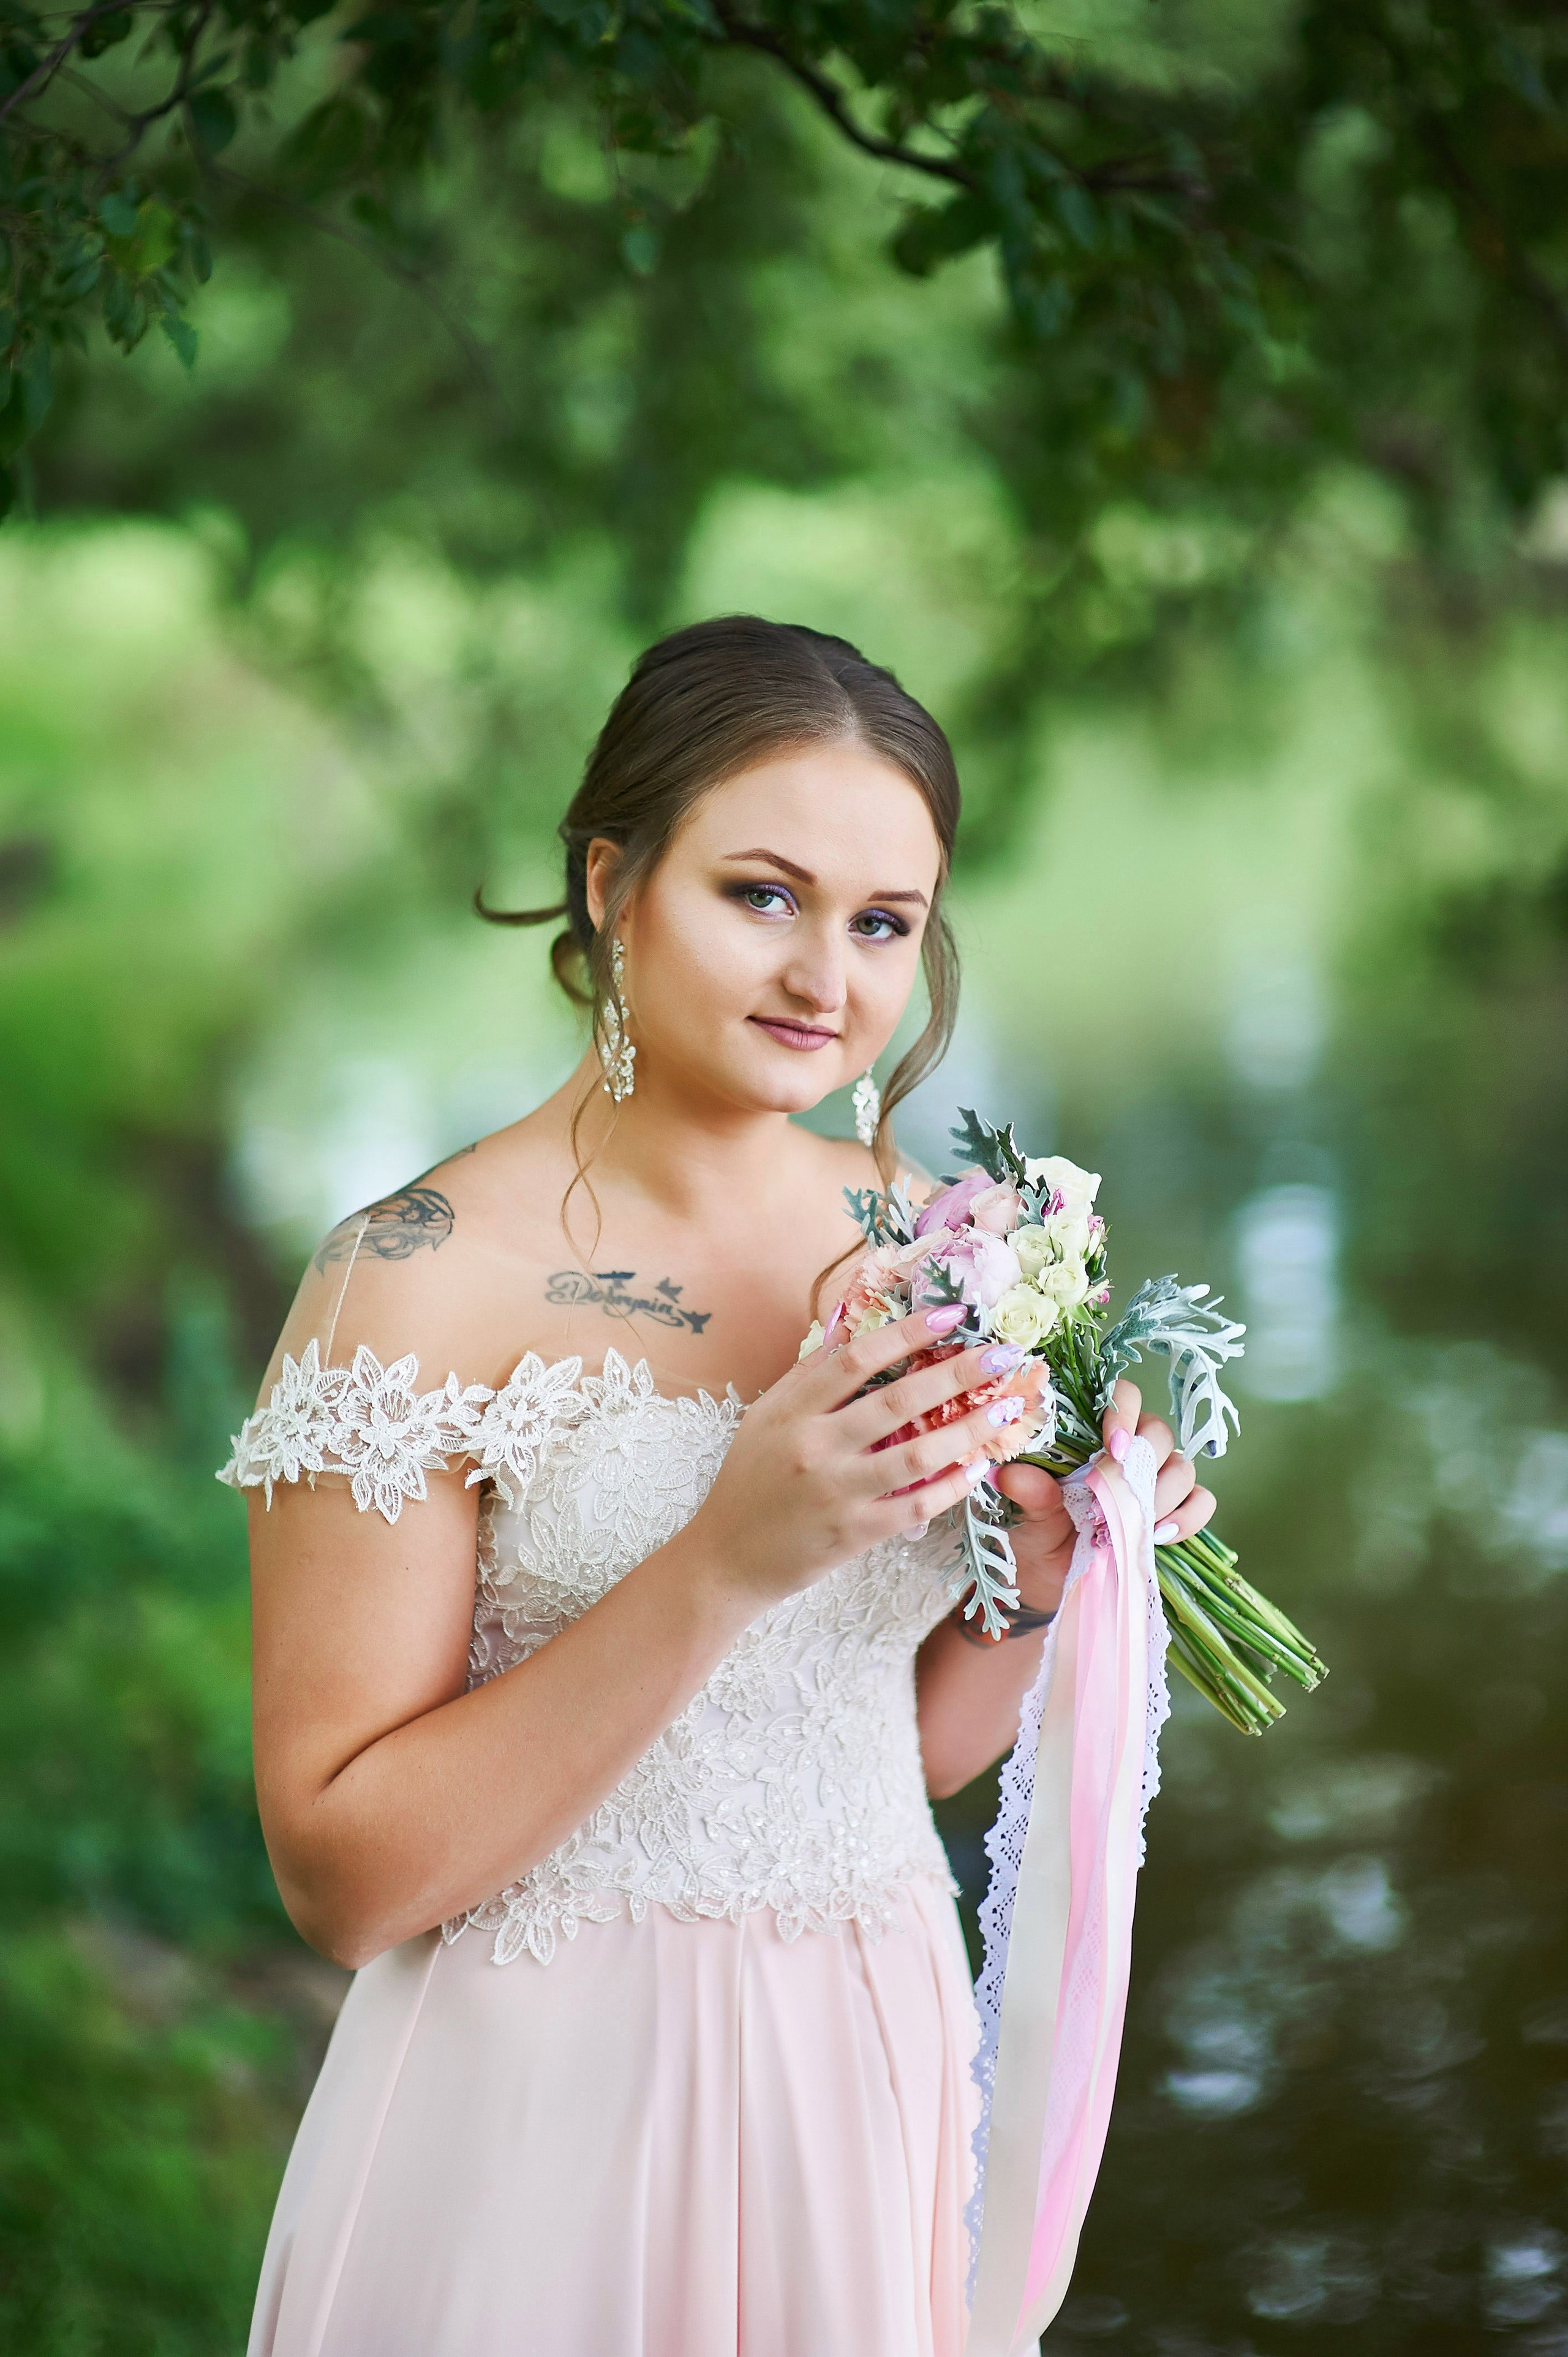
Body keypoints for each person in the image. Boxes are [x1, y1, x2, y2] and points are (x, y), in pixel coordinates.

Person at [223, 616, 1214, 2357]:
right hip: (541, 2112)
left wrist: (1039, 1582)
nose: (826, 975)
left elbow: (873, 1747)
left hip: (859, 2067)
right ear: (613, 884)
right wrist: (720, 1565)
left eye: (882, 922)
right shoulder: (416, 1277)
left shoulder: (927, 1249)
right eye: (762, 893)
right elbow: (344, 1880)